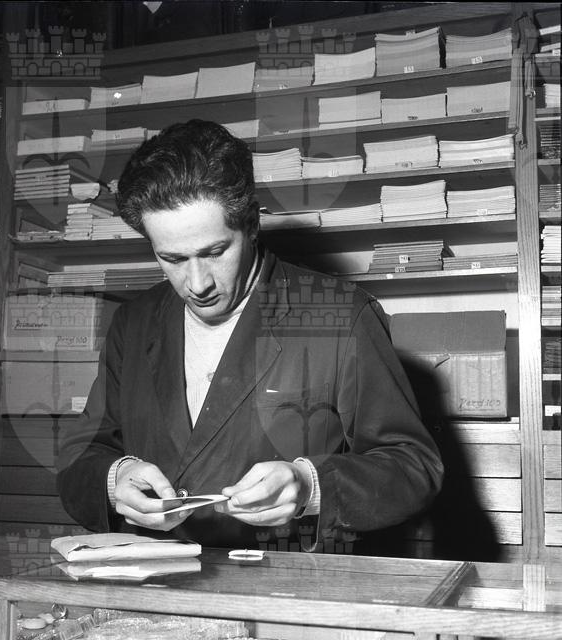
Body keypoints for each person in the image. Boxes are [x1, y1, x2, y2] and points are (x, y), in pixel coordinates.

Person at [57, 119, 443, 552]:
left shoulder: (342, 315)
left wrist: (309, 485)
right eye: (172, 259)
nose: (197, 283)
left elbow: (413, 467)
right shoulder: (133, 323)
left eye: (215, 252)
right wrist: (115, 480)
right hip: (157, 575)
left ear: (252, 225)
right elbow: (80, 456)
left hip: (285, 577)